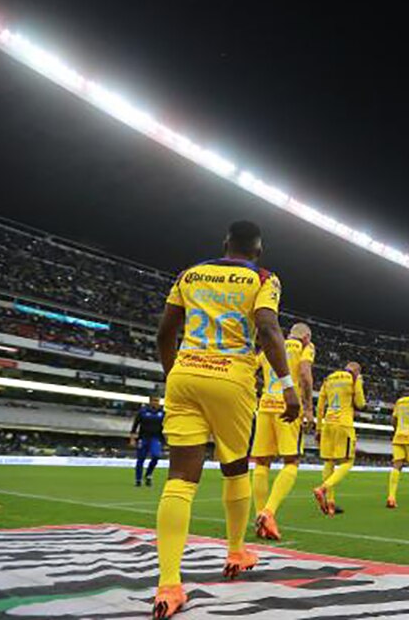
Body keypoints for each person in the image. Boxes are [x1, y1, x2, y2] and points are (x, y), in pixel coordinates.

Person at [152, 220, 300, 619]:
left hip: (184, 374)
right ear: (258, 250)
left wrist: (174, 375)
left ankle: (169, 585)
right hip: (231, 378)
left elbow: (165, 333)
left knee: (179, 480)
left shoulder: (189, 274)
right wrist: (288, 385)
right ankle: (236, 551)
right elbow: (268, 328)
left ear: (225, 244)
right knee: (235, 468)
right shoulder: (264, 278)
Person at [252, 323, 315, 541]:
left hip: (265, 406)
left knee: (261, 463)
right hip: (289, 406)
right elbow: (305, 374)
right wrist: (308, 408)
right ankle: (268, 512)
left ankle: (259, 516)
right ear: (306, 337)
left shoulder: (271, 346)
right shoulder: (304, 347)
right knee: (291, 461)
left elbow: (251, 370)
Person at [312, 362, 365, 515]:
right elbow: (360, 403)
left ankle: (330, 503)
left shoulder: (328, 379)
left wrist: (318, 428)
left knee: (329, 462)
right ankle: (323, 488)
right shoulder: (353, 379)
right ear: (357, 370)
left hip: (328, 423)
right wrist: (358, 382)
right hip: (343, 424)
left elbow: (320, 406)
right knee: (348, 461)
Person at [130, 396, 165, 487]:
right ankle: (138, 479)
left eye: (157, 401)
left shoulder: (162, 413)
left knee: (156, 456)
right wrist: (132, 439)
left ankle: (148, 474)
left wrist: (166, 439)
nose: (156, 402)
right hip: (143, 438)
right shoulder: (143, 411)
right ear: (150, 401)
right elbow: (135, 425)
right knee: (141, 459)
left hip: (156, 438)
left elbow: (166, 426)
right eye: (154, 400)